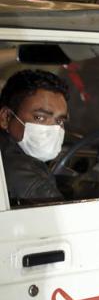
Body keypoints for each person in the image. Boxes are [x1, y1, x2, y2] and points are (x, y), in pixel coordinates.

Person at [0, 69, 69, 203]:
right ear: (6, 117)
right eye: (39, 117)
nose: (53, 128)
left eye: (59, 121)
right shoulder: (31, 183)